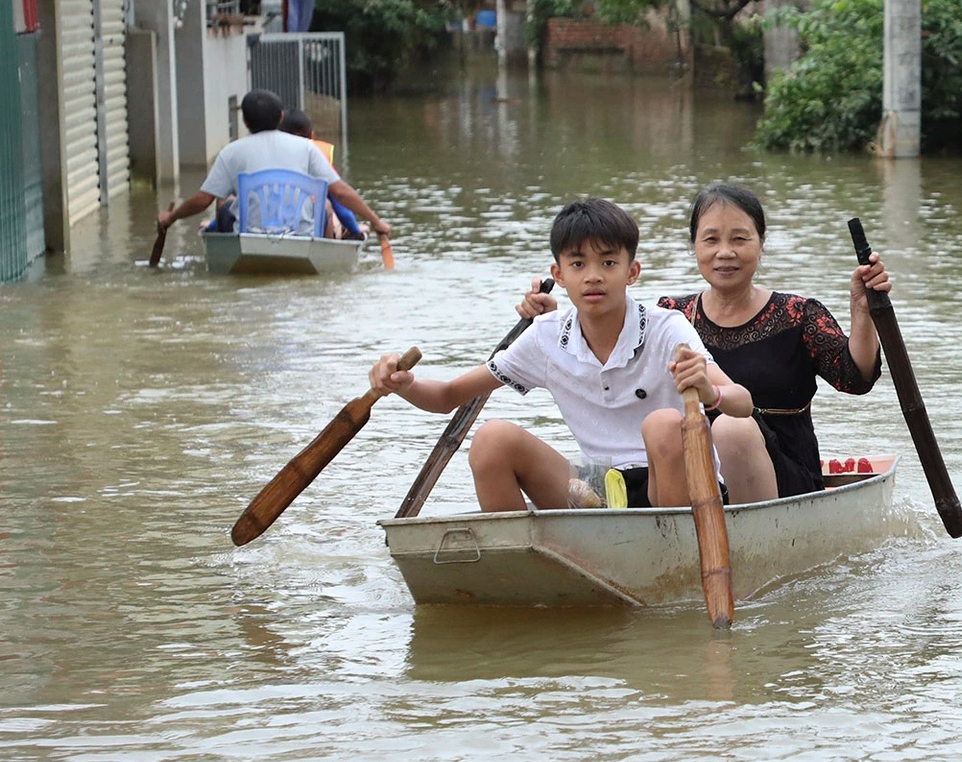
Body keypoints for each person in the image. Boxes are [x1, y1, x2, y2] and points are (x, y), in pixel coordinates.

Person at [518, 182, 890, 504]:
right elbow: (604, 333)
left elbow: (854, 379)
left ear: (761, 244)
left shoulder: (797, 314)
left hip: (778, 473)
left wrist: (862, 310)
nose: (724, 252)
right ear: (695, 246)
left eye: (739, 239)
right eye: (711, 239)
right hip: (690, 473)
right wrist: (555, 319)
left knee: (730, 427)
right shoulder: (673, 315)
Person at [370, 198, 752, 511]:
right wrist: (402, 383)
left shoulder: (667, 328)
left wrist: (707, 390)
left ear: (631, 272)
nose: (593, 276)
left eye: (608, 262)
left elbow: (743, 403)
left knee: (664, 423)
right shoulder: (546, 337)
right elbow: (447, 396)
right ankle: (521, 569)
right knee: (492, 439)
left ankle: (673, 558)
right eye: (578, 264)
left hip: (679, 488)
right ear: (560, 273)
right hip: (600, 489)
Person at [155, 89, 391, 244]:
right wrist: (376, 221)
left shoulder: (231, 152)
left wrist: (171, 217)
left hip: (250, 239)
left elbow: (202, 200)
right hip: (302, 235)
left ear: (245, 121)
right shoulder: (307, 148)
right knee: (324, 206)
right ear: (280, 117)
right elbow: (340, 191)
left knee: (224, 203)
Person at [279, 108, 360, 240]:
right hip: (308, 229)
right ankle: (326, 249)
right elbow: (340, 204)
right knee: (326, 205)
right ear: (311, 136)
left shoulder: (268, 157)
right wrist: (355, 230)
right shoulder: (319, 159)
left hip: (269, 226)